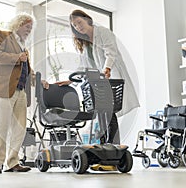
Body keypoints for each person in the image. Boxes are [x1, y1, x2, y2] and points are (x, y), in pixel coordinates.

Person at [56, 10, 140, 170]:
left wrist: (106, 69)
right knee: (103, 114)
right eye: (74, 26)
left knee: (108, 113)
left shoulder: (102, 33)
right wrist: (70, 80)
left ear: (87, 20)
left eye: (79, 23)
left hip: (110, 76)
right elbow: (83, 65)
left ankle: (112, 154)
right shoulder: (85, 42)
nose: (78, 27)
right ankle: (105, 154)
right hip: (98, 83)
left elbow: (111, 52)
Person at [0, 12, 49, 174]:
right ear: (18, 24)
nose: (29, 30)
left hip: (21, 92)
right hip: (4, 89)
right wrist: (16, 57)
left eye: (31, 28)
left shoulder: (24, 47)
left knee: (19, 128)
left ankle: (13, 162)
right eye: (27, 26)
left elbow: (28, 70)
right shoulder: (2, 35)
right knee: (2, 126)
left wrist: (38, 80)